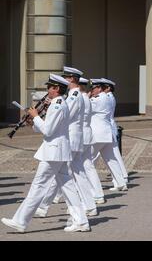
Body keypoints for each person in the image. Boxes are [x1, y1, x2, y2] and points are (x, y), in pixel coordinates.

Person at [1, 74, 90, 232]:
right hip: (58, 151)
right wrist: (32, 121)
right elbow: (49, 126)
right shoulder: (59, 102)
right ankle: (81, 221)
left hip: (53, 152)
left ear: (56, 89)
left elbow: (48, 130)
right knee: (68, 187)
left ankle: (20, 221)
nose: (47, 90)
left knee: (39, 186)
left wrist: (36, 117)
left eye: (49, 87)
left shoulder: (57, 104)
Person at [36, 67, 98, 218]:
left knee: (60, 173)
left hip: (71, 137)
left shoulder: (74, 95)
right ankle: (89, 206)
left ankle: (43, 206)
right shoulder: (75, 95)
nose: (65, 80)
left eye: (66, 78)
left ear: (72, 79)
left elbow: (65, 116)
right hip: (75, 137)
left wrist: (47, 110)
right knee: (74, 172)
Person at [90, 79, 127, 191]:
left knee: (87, 161)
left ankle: (92, 189)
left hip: (98, 134)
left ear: (99, 88)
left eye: (93, 88)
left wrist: (86, 97)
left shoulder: (98, 99)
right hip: (106, 133)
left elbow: (84, 108)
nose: (92, 90)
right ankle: (121, 182)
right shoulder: (107, 97)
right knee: (111, 159)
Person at [101, 78, 129, 189]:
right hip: (108, 127)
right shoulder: (109, 97)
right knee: (114, 154)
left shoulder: (107, 97)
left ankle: (122, 177)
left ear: (108, 88)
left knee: (90, 158)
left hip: (106, 128)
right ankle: (122, 177)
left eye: (103, 87)